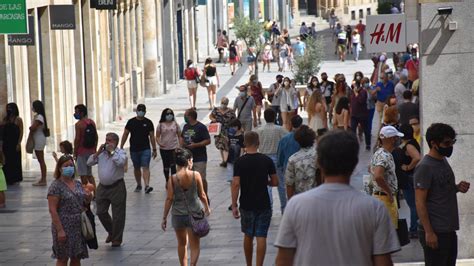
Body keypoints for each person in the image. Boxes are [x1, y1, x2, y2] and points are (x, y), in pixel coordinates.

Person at [275, 130, 400, 265]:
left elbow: (283, 260)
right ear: (355, 163)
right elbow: (383, 262)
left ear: (319, 163)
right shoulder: (375, 209)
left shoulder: (296, 205)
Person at [415, 123, 469, 266]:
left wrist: (457, 188)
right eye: (447, 143)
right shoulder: (425, 167)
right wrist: (429, 232)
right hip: (436, 230)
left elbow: (441, 189)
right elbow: (420, 202)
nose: (450, 146)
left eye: (452, 142)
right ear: (433, 143)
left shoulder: (443, 161)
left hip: (448, 228)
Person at [231, 131, 278, 266]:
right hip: (263, 203)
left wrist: (234, 205)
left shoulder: (239, 162)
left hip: (246, 203)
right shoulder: (266, 160)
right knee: (261, 235)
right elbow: (275, 182)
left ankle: (249, 264)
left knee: (248, 234)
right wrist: (266, 182)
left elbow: (235, 184)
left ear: (244, 143)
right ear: (258, 143)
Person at [161, 148, 211, 266]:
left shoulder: (172, 179)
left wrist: (164, 217)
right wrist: (207, 208)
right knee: (195, 245)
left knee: (181, 243)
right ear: (189, 161)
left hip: (178, 215)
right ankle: (193, 264)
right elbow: (202, 194)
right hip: (195, 213)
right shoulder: (196, 175)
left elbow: (169, 199)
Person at [48, 155, 92, 265]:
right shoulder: (56, 186)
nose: (69, 168)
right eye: (66, 166)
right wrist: (60, 230)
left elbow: (83, 202)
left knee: (76, 256)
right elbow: (52, 210)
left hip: (78, 225)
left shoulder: (77, 184)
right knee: (63, 257)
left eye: (71, 165)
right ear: (60, 168)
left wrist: (88, 197)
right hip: (64, 224)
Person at [87, 133, 128, 247]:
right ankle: (111, 231)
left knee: (118, 215)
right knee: (100, 211)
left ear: (115, 142)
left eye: (110, 140)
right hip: (103, 187)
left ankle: (117, 239)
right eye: (106, 140)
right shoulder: (101, 154)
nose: (107, 142)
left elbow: (120, 162)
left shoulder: (121, 153)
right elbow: (89, 162)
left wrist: (112, 152)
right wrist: (98, 152)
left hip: (117, 186)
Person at [370, 126, 403, 229]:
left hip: (382, 197)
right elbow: (378, 176)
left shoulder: (380, 152)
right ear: (392, 139)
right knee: (389, 233)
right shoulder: (384, 155)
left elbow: (370, 169)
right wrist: (389, 192)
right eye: (396, 137)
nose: (398, 140)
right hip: (385, 198)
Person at [256, 108, 288, 213]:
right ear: (275, 117)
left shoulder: (259, 130)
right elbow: (288, 139)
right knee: (281, 184)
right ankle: (284, 207)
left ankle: (268, 207)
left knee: (266, 184)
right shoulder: (280, 129)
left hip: (263, 159)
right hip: (277, 158)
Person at [120, 104, 157, 193]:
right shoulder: (131, 122)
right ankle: (139, 184)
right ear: (136, 111)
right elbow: (125, 134)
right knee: (136, 167)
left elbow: (152, 136)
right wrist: (121, 146)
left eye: (142, 110)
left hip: (145, 149)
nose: (141, 112)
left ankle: (147, 185)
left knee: (145, 166)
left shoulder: (148, 122)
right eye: (139, 110)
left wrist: (154, 149)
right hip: (134, 149)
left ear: (145, 112)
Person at [396, 124, 421, 238]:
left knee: (413, 205)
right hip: (410, 178)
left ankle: (414, 229)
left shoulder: (409, 145)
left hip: (409, 178)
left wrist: (408, 167)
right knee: (414, 204)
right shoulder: (411, 143)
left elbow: (417, 157)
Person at [180, 109, 211, 201]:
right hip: (188, 157)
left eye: (186, 115)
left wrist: (196, 145)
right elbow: (182, 137)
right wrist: (181, 145)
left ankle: (204, 195)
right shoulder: (186, 126)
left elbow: (208, 140)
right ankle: (192, 197)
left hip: (200, 157)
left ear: (190, 117)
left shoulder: (201, 127)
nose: (184, 117)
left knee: (201, 178)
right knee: (189, 178)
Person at [285, 125, 318, 199]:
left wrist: (291, 203)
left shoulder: (292, 159)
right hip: (318, 197)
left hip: (300, 198)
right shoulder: (320, 155)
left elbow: (289, 184)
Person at [73, 104, 98, 188]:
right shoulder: (91, 122)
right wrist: (95, 149)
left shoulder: (79, 124)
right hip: (91, 151)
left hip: (81, 152)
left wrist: (75, 152)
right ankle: (95, 192)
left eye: (77, 112)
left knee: (83, 175)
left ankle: (86, 192)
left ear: (82, 113)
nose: (75, 114)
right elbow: (96, 136)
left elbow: (77, 139)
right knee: (89, 174)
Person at [156, 108, 181, 185]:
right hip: (164, 149)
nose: (169, 115)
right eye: (167, 114)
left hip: (173, 148)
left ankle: (173, 181)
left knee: (173, 165)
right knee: (166, 165)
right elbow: (157, 136)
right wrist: (159, 143)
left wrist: (179, 145)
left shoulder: (176, 124)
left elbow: (179, 135)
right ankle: (167, 180)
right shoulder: (160, 125)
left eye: (171, 114)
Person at [209, 97, 236, 167]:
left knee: (226, 145)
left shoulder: (231, 111)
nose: (223, 104)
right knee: (220, 146)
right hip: (218, 131)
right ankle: (223, 160)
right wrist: (214, 119)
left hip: (227, 131)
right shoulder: (216, 110)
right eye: (222, 103)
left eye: (225, 103)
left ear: (227, 104)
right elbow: (210, 116)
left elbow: (235, 120)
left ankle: (225, 161)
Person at [225, 119, 245, 210]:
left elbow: (242, 149)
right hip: (230, 161)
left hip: (238, 162)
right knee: (231, 182)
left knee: (240, 182)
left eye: (233, 127)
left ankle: (241, 201)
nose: (231, 129)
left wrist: (240, 159)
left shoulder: (242, 137)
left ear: (237, 127)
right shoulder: (229, 136)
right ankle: (234, 202)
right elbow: (227, 147)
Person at [2, 103, 23, 185]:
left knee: (15, 160)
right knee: (6, 161)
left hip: (14, 143)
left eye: (10, 108)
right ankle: (7, 178)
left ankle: (14, 178)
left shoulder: (18, 119)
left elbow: (21, 132)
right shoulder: (5, 119)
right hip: (6, 143)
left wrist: (19, 143)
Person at [276, 115, 303, 180]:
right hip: (302, 168)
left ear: (291, 124)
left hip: (288, 167)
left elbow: (280, 155)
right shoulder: (305, 137)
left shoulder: (284, 139)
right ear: (301, 124)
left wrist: (280, 165)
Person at [30, 100, 49, 186]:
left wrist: (30, 127)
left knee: (41, 160)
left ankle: (43, 179)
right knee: (40, 160)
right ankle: (43, 178)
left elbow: (33, 128)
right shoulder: (39, 116)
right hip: (38, 138)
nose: (32, 108)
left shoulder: (39, 117)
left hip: (39, 139)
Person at [350, 81, 371, 151]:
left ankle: (368, 144)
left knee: (366, 130)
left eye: (354, 85)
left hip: (362, 115)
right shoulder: (352, 92)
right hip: (354, 115)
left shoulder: (363, 92)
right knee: (352, 129)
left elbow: (361, 100)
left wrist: (356, 93)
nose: (353, 87)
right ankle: (353, 144)